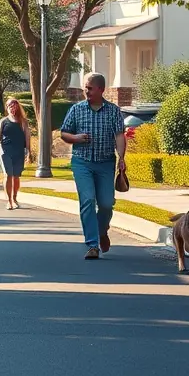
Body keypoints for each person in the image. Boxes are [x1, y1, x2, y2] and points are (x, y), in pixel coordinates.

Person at [58, 72, 126, 260]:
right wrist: (76, 138)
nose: (85, 91)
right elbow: (64, 133)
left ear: (101, 89)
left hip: (105, 163)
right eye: (85, 87)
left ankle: (101, 231)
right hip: (82, 163)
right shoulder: (77, 109)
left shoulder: (113, 110)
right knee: (87, 200)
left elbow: (119, 135)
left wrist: (121, 158)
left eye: (89, 88)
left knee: (106, 204)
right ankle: (93, 244)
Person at [0, 98, 29, 209]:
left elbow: (27, 136)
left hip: (18, 150)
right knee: (8, 175)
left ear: (17, 108)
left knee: (16, 176)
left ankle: (14, 198)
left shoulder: (23, 121)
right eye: (10, 106)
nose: (12, 108)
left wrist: (29, 151)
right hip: (5, 150)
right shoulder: (3, 121)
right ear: (7, 108)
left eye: (14, 106)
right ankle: (9, 201)